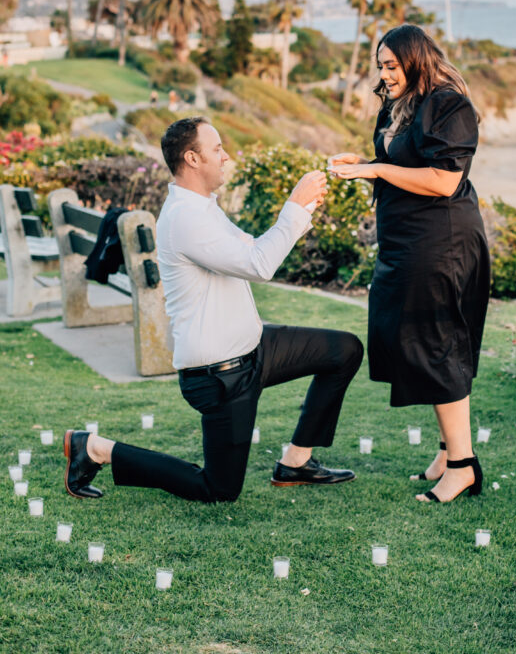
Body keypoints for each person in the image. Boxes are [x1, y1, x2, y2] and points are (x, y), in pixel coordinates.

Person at [63, 116, 363, 503]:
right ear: (192, 158)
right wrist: (294, 206)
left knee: (344, 351)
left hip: (254, 348)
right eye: (217, 148)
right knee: (219, 489)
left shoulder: (202, 207)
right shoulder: (186, 218)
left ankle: (296, 462)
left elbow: (250, 252)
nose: (226, 156)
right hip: (220, 375)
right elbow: (259, 266)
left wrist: (302, 209)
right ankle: (96, 449)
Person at [329, 25, 490, 505]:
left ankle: (463, 468)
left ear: (416, 60)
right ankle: (447, 452)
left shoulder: (447, 105)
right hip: (406, 243)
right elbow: (404, 162)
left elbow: (443, 181)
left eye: (391, 65)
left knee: (437, 346)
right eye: (380, 65)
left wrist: (374, 170)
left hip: (441, 243)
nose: (384, 74)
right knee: (417, 342)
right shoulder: (400, 105)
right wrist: (363, 162)